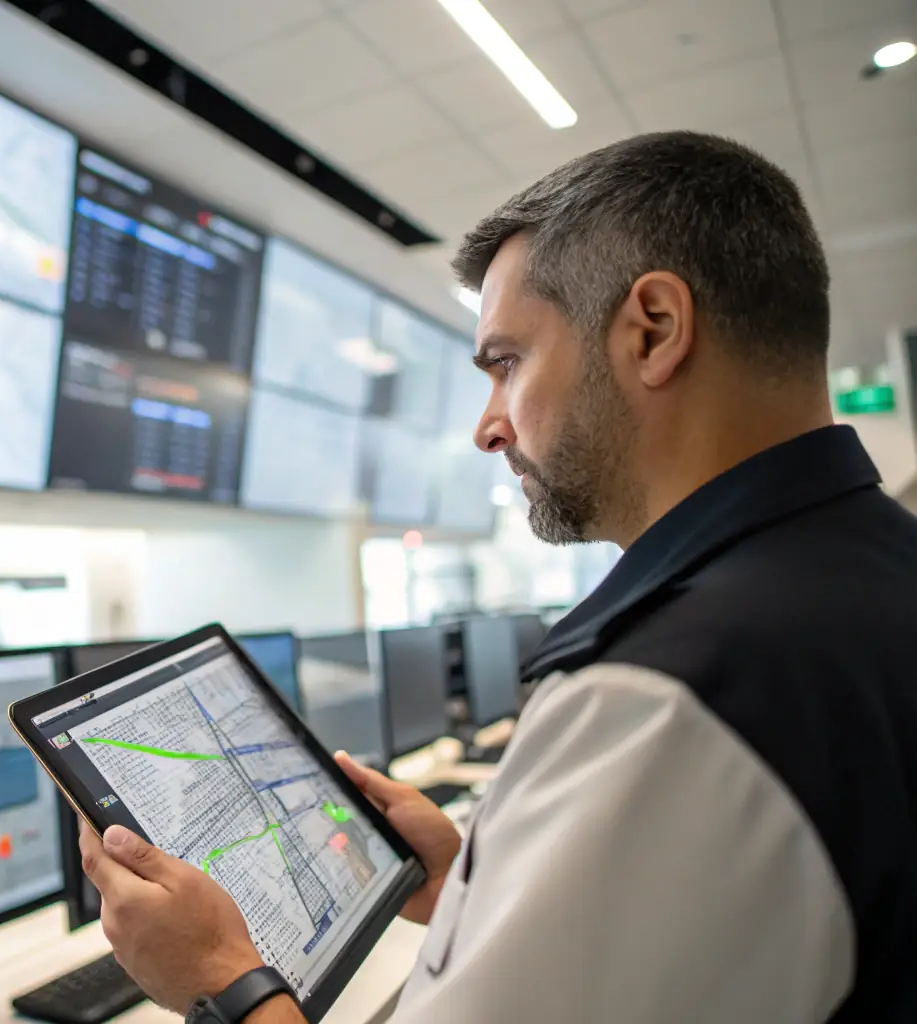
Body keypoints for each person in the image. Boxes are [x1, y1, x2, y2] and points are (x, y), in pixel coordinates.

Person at [77, 131, 917, 1023]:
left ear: (653, 330)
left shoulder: (671, 692)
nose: (488, 427)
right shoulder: (868, 573)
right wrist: (467, 883)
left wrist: (219, 977)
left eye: (506, 363)